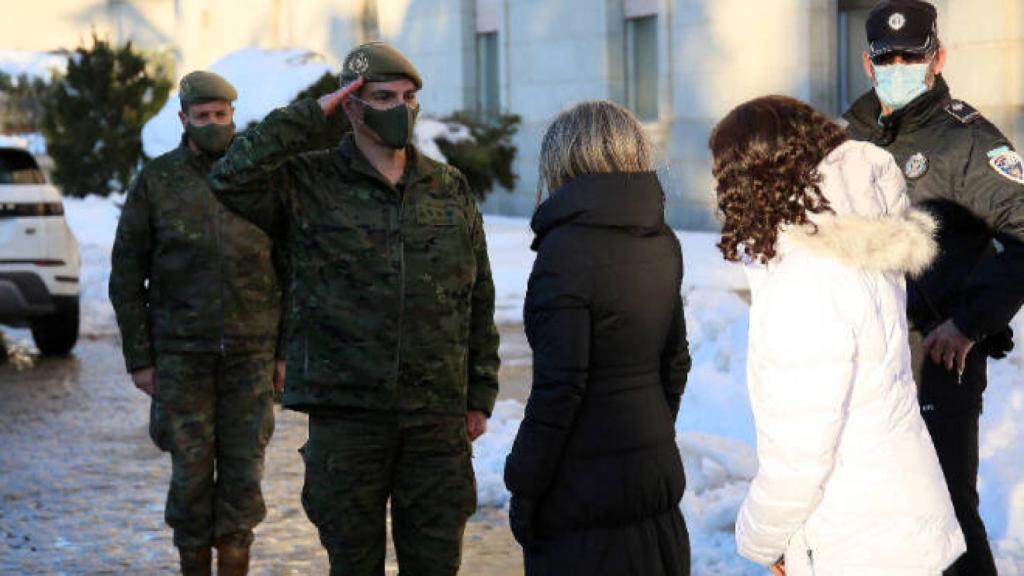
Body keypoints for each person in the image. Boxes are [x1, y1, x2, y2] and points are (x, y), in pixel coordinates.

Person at [207, 42, 500, 576]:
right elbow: (229, 176)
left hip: (434, 420)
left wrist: (479, 391)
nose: (401, 109)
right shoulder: (307, 183)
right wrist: (309, 114)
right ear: (352, 106)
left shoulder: (447, 187)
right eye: (383, 97)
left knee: (436, 565)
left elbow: (477, 292)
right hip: (348, 419)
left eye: (409, 97)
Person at [712, 95, 966, 575]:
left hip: (856, 538)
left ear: (753, 180)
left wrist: (759, 539)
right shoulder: (855, 247)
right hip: (900, 517)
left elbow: (800, 457)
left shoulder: (804, 282)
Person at [843, 2, 1024, 572]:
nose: (898, 66)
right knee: (877, 516)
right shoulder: (850, 137)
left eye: (911, 56)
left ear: (936, 57)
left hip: (939, 355)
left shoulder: (967, 140)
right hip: (867, 358)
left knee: (946, 515)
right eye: (886, 57)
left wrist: (969, 323)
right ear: (870, 65)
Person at [503, 101, 692, 576]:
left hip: (582, 504)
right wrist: (650, 431)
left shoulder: (563, 253)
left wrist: (524, 485)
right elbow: (675, 362)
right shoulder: (661, 239)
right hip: (654, 487)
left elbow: (558, 390)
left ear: (563, 161)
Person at [109, 71, 287, 576]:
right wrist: (141, 359)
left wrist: (283, 352)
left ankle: (234, 561)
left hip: (251, 356)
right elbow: (126, 274)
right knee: (189, 475)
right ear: (183, 119)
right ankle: (192, 562)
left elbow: (292, 266)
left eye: (221, 115)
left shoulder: (261, 177)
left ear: (234, 115)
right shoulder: (157, 181)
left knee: (243, 477)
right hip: (181, 357)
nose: (213, 124)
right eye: (202, 116)